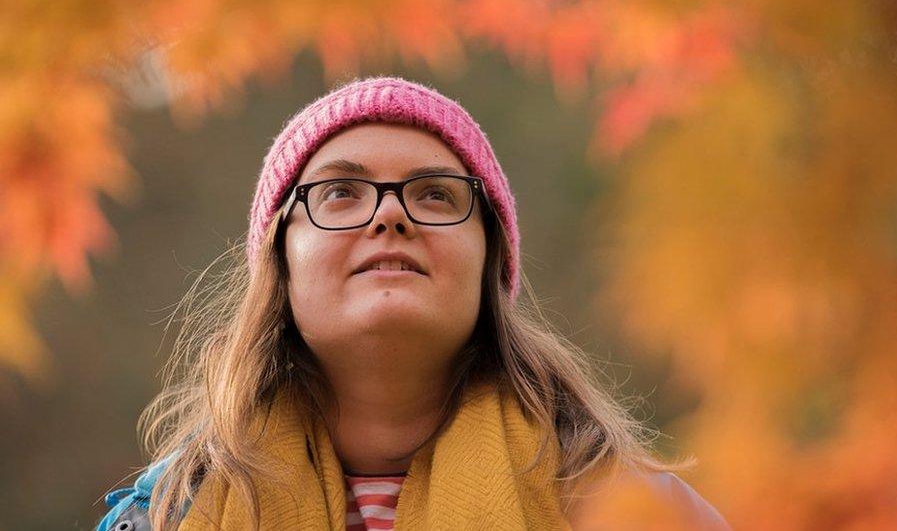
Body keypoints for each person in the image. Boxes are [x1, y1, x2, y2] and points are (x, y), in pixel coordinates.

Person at [95, 76, 731, 530]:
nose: (392, 213)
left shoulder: (634, 510)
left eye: (435, 194)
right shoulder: (165, 515)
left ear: (490, 262)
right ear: (280, 263)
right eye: (340, 192)